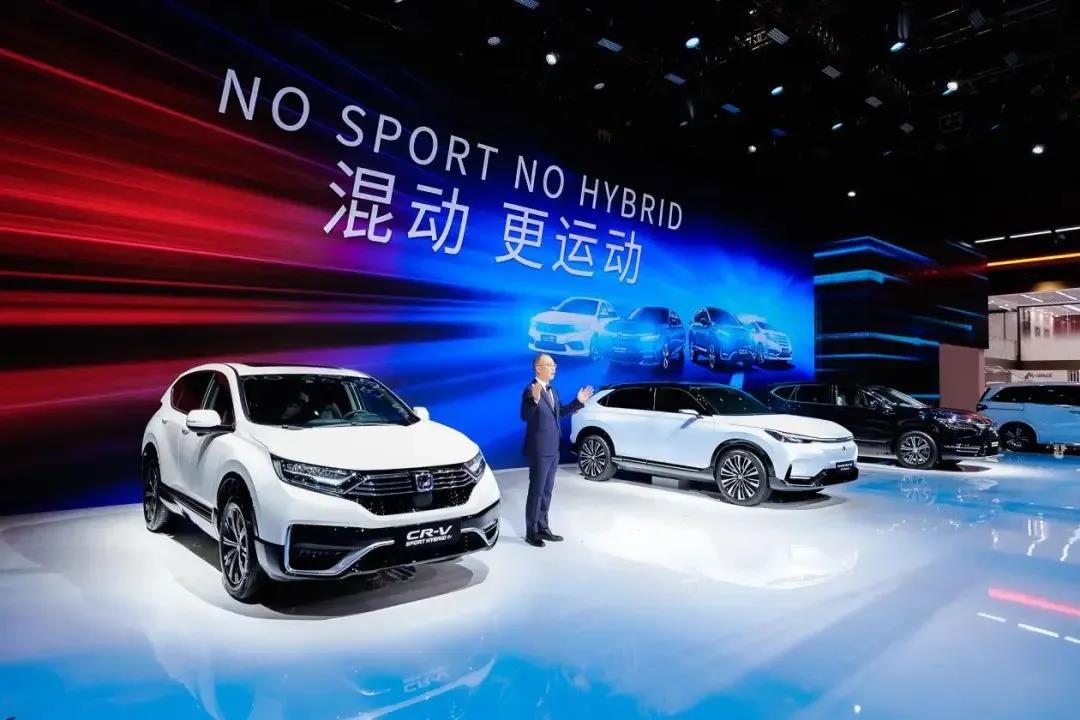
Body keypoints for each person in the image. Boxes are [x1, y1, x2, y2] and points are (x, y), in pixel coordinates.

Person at [520, 353, 593, 547]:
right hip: (538, 450)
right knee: (536, 492)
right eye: (550, 365)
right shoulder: (530, 390)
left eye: (554, 365)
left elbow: (560, 413)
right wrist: (535, 400)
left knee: (547, 491)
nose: (554, 368)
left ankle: (543, 528)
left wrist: (578, 401)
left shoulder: (553, 390)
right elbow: (525, 415)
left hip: (553, 449)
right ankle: (531, 532)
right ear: (538, 368)